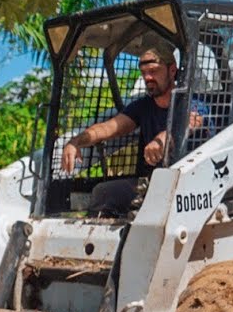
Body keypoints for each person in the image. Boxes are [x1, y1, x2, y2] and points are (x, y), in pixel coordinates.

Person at [59, 41, 204, 216]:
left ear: (172, 70)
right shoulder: (143, 106)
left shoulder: (190, 102)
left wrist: (163, 138)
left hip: (192, 185)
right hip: (154, 183)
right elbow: (108, 128)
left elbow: (193, 121)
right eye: (144, 73)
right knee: (102, 192)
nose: (148, 77)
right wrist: (76, 142)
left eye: (153, 71)